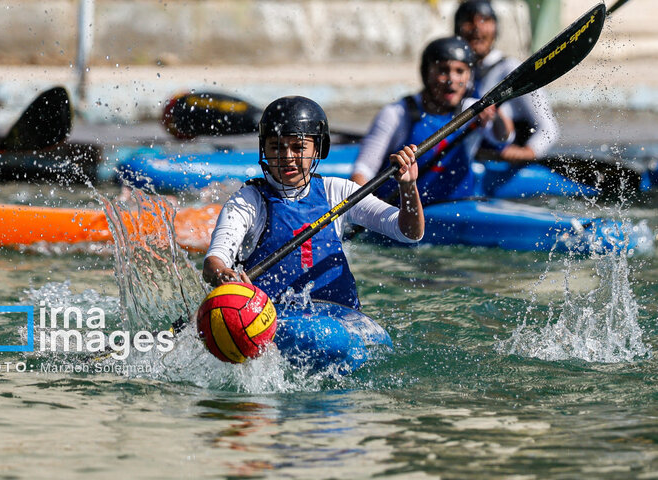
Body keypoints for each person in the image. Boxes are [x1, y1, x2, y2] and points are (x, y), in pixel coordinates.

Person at [203, 96, 424, 309]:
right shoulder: (247, 201)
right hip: (272, 320)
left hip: (341, 319)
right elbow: (214, 261)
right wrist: (224, 275)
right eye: (277, 147)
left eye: (298, 147)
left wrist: (408, 187)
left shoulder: (338, 191)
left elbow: (408, 232)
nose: (287, 157)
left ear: (318, 149)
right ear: (264, 150)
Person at [350, 36, 513, 205]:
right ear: (426, 73)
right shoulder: (397, 114)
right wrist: (367, 209)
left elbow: (504, 137)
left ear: (469, 76)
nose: (451, 80)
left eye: (460, 71)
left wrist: (496, 115)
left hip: (459, 210)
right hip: (403, 214)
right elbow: (363, 170)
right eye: (443, 70)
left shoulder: (472, 110)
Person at [455, 0, 559, 162]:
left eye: (484, 20)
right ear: (458, 29)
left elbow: (549, 130)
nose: (477, 28)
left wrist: (527, 152)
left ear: (496, 28)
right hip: (475, 161)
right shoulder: (457, 73)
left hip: (509, 165)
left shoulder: (512, 70)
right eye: (469, 21)